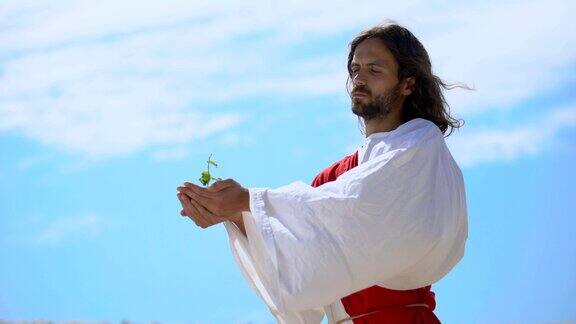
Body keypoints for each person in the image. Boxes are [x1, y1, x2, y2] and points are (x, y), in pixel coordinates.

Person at [177, 21, 468, 324]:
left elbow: (362, 204)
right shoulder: (332, 179)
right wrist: (238, 216)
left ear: (408, 84)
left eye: (374, 70)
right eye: (355, 69)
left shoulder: (419, 146)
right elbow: (304, 271)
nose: (359, 79)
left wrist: (248, 200)